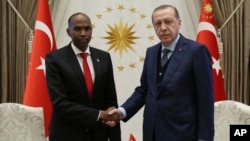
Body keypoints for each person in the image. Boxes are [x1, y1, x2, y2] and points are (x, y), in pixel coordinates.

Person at [108, 4, 214, 141]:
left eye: (168, 22)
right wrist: (122, 111)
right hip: (152, 133)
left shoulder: (196, 52)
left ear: (179, 23)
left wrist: (204, 138)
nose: (163, 28)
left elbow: (205, 99)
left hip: (183, 133)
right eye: (158, 24)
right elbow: (144, 90)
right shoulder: (151, 52)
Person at [45, 12, 121, 141]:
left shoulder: (104, 57)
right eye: (78, 29)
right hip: (68, 135)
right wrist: (99, 115)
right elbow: (61, 103)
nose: (83, 33)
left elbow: (111, 101)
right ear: (69, 32)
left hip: (98, 135)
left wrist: (115, 137)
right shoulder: (55, 59)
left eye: (87, 28)